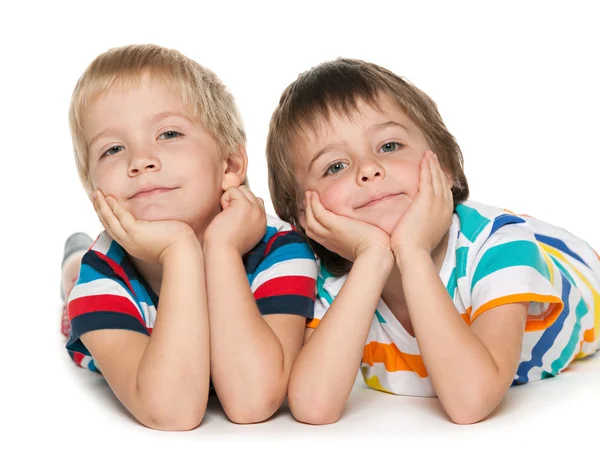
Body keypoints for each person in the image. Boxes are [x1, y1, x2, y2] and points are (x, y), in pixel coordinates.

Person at [265, 58, 600, 425]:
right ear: (303, 215)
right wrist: (373, 258)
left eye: (389, 145)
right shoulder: (329, 283)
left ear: (445, 165)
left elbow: (470, 400)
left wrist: (412, 251)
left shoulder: (501, 248)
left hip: (576, 270)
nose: (368, 169)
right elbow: (314, 407)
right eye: (335, 167)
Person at [62, 44, 317, 430]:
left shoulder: (280, 252)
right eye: (113, 148)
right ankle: (71, 258)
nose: (140, 160)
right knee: (73, 281)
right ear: (93, 190)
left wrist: (221, 249)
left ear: (230, 165)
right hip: (94, 286)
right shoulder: (101, 279)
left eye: (168, 133)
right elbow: (173, 412)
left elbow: (252, 401)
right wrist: (180, 251)